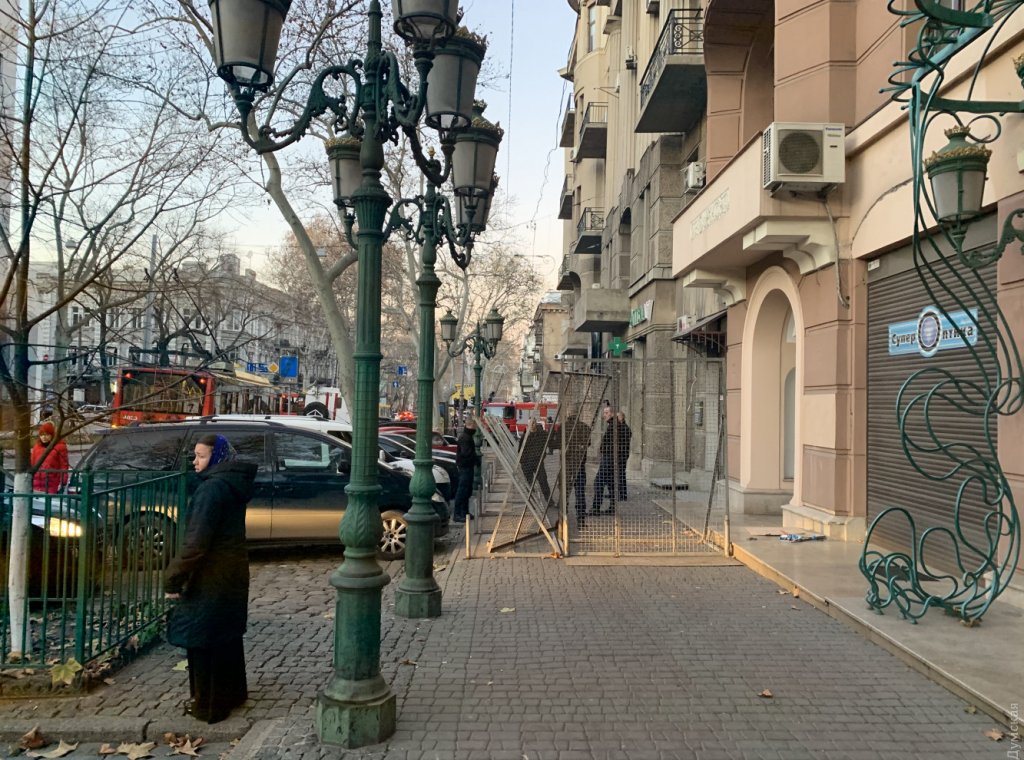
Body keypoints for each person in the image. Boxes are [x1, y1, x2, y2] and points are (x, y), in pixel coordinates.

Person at [165, 434, 257, 724]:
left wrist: (173, 577)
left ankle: (208, 705)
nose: (195, 461)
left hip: (210, 576)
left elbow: (196, 543)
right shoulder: (230, 484)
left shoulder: (212, 489)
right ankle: (232, 694)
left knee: (204, 639)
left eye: (201, 456)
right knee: (226, 636)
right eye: (195, 455)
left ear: (216, 458)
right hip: (231, 572)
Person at [563, 410, 591, 527]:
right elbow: (588, 443)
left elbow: (556, 442)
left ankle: (563, 517)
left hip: (567, 463)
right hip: (579, 463)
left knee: (565, 491)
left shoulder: (564, 427)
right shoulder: (585, 427)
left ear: (568, 415)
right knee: (580, 492)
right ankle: (581, 519)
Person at [591, 406, 618, 515]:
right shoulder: (612, 425)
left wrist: (603, 450)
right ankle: (612, 508)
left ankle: (596, 508)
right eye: (604, 413)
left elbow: (612, 444)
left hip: (609, 459)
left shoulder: (614, 426)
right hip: (610, 458)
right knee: (611, 484)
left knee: (598, 482)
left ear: (612, 413)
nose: (604, 415)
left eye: (606, 413)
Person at [519, 417, 551, 504]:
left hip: (538, 462)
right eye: (530, 423)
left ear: (536, 423)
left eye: (533, 423)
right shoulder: (525, 436)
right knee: (529, 483)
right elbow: (520, 450)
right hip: (527, 462)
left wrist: (543, 456)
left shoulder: (542, 434)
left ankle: (549, 500)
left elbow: (549, 441)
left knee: (543, 480)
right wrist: (523, 462)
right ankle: (532, 501)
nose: (531, 425)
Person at [453, 417, 479, 522]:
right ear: (471, 426)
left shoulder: (467, 436)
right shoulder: (465, 438)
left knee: (467, 490)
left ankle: (464, 512)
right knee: (462, 490)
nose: (476, 428)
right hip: (465, 467)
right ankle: (458, 513)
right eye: (475, 426)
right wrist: (475, 458)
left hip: (467, 466)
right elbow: (466, 453)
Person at [31, 421, 69, 494]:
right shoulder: (37, 447)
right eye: (42, 435)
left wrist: (63, 482)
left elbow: (63, 466)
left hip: (52, 484)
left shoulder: (60, 447)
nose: (44, 437)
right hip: (36, 484)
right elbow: (32, 464)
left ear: (52, 435)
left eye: (47, 434)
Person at [615, 411, 632, 500]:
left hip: (622, 454)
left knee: (621, 473)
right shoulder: (621, 428)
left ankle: (622, 494)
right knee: (618, 473)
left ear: (621, 418)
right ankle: (617, 493)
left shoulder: (624, 428)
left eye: (617, 417)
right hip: (620, 454)